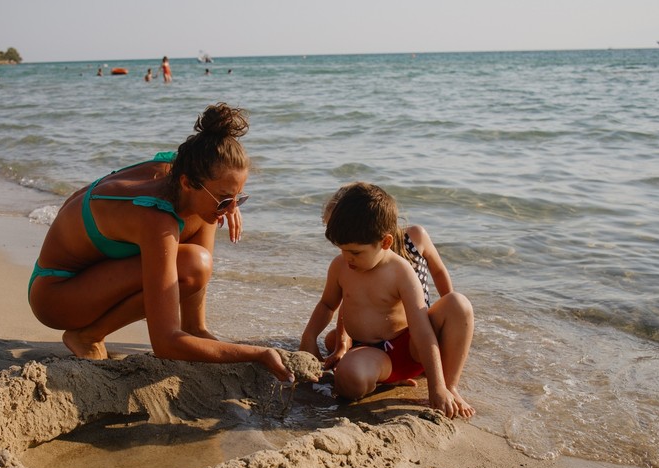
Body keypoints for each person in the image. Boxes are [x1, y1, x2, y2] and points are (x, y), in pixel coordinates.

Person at [28, 103, 293, 381]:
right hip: (58, 295)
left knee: (204, 219)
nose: (232, 209)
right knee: (193, 263)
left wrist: (225, 201)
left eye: (239, 198)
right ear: (187, 182)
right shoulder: (155, 217)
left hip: (97, 273)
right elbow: (165, 344)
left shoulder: (183, 171)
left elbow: (209, 194)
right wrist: (257, 353)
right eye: (226, 199)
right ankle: (88, 335)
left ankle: (195, 326)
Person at [299, 183, 475, 418]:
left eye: (356, 252)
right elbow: (327, 305)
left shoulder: (400, 272)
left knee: (458, 303)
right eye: (342, 250)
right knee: (347, 382)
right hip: (373, 353)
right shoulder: (341, 266)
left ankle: (450, 385)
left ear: (385, 242)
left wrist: (437, 387)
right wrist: (309, 337)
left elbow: (422, 331)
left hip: (410, 350)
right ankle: (388, 379)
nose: (347, 258)